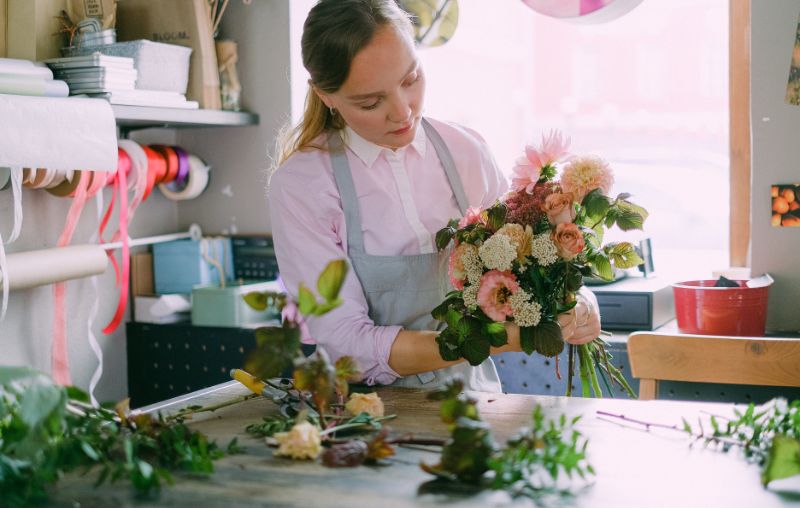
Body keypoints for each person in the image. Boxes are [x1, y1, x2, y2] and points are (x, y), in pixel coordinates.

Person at [268, 0, 601, 392]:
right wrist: (499, 340)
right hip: (361, 423)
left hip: (474, 406)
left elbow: (529, 266)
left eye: (410, 80)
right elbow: (347, 348)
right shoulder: (303, 185)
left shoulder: (465, 152)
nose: (403, 112)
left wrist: (578, 303)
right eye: (371, 102)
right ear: (326, 95)